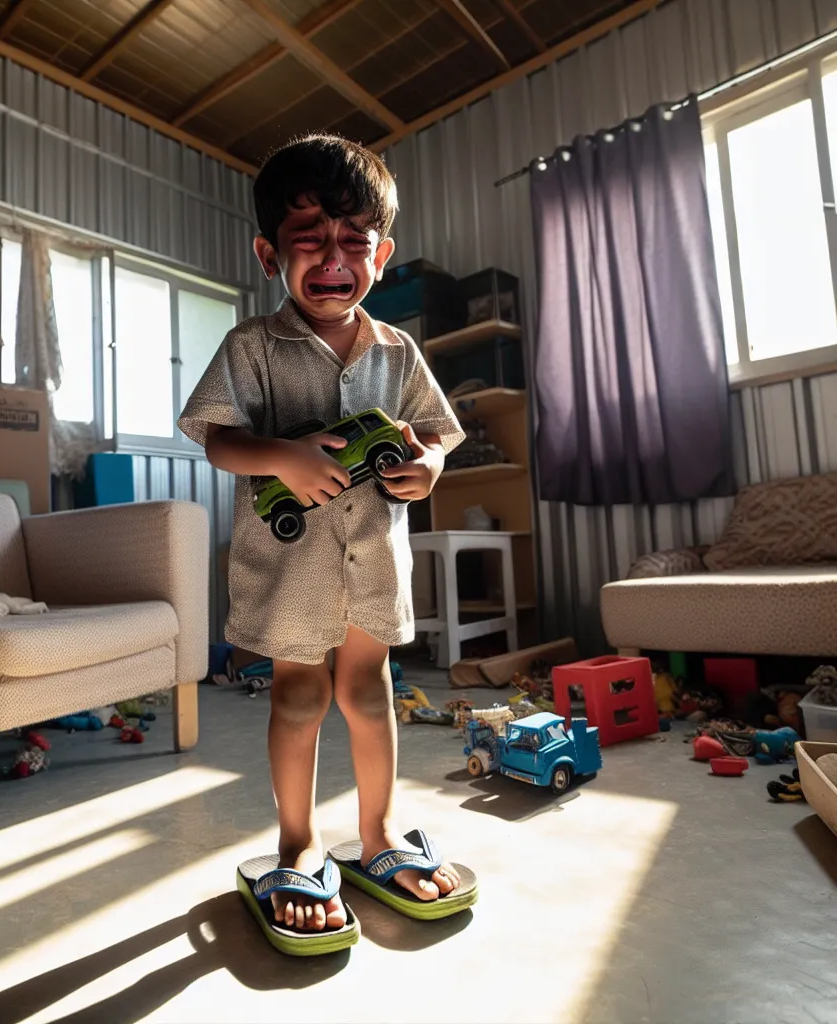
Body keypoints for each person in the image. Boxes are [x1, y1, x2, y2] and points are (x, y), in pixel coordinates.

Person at [179, 134, 477, 953]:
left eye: (354, 242)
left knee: (371, 694)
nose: (334, 259)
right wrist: (278, 453)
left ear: (381, 252)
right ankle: (298, 846)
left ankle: (376, 836)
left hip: (373, 561)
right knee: (300, 698)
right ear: (270, 251)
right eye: (310, 240)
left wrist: (429, 469)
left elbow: (437, 437)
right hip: (290, 568)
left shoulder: (399, 351)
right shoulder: (251, 346)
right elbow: (215, 438)